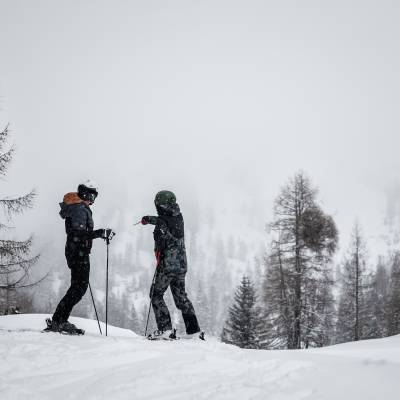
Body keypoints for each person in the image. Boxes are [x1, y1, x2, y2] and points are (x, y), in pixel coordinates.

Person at [46, 180, 114, 334]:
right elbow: (78, 233)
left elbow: (78, 233)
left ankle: (59, 320)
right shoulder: (79, 209)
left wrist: (99, 234)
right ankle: (59, 321)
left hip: (76, 251)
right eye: (91, 196)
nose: (92, 200)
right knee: (78, 288)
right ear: (85, 193)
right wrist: (100, 233)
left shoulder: (79, 207)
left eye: (94, 197)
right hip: (78, 252)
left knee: (77, 288)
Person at [142, 190, 204, 340]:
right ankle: (194, 332)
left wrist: (158, 249)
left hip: (167, 266)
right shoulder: (178, 216)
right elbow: (163, 220)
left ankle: (165, 329)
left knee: (156, 295)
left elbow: (160, 242)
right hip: (182, 265)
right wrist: (149, 219)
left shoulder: (163, 222)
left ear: (162, 205)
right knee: (181, 297)